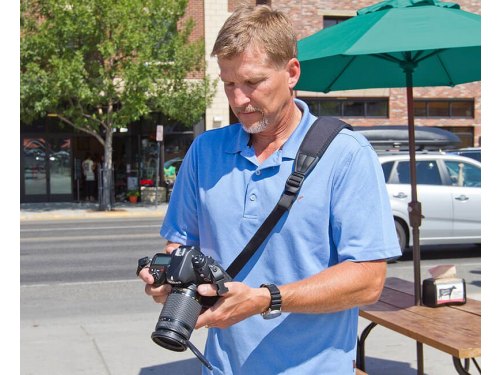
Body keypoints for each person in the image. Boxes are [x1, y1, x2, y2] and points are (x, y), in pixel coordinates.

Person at [140, 5, 401, 374]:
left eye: (252, 82)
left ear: (291, 72)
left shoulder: (348, 154)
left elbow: (368, 281)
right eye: (228, 83)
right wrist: (167, 278)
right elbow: (180, 245)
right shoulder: (205, 151)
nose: (238, 100)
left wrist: (267, 300)